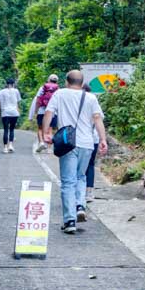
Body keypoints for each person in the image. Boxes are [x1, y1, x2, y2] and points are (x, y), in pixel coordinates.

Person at [42, 70, 107, 234]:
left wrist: (46, 133)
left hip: (68, 142)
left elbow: (48, 112)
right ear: (82, 81)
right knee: (81, 176)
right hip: (87, 144)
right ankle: (80, 205)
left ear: (66, 81)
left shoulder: (60, 94)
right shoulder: (91, 97)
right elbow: (97, 119)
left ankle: (70, 220)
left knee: (68, 181)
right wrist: (103, 140)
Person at [82, 84, 104, 204]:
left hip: (79, 138)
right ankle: (89, 192)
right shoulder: (93, 100)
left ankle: (78, 192)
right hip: (93, 138)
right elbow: (99, 118)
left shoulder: (76, 99)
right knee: (90, 165)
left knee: (78, 166)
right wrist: (102, 139)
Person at [29, 74, 60, 152]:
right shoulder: (58, 89)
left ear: (48, 80)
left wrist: (36, 111)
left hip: (42, 111)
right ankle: (49, 148)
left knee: (40, 128)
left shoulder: (42, 88)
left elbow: (38, 100)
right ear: (57, 81)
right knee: (50, 129)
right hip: (53, 112)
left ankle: (41, 143)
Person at [0, 79, 22, 154]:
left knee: (6, 130)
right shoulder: (16, 91)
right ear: (13, 84)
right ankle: (10, 145)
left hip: (5, 113)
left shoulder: (1, 91)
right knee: (12, 129)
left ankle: (5, 148)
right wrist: (18, 112)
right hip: (14, 112)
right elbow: (17, 103)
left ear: (6, 84)